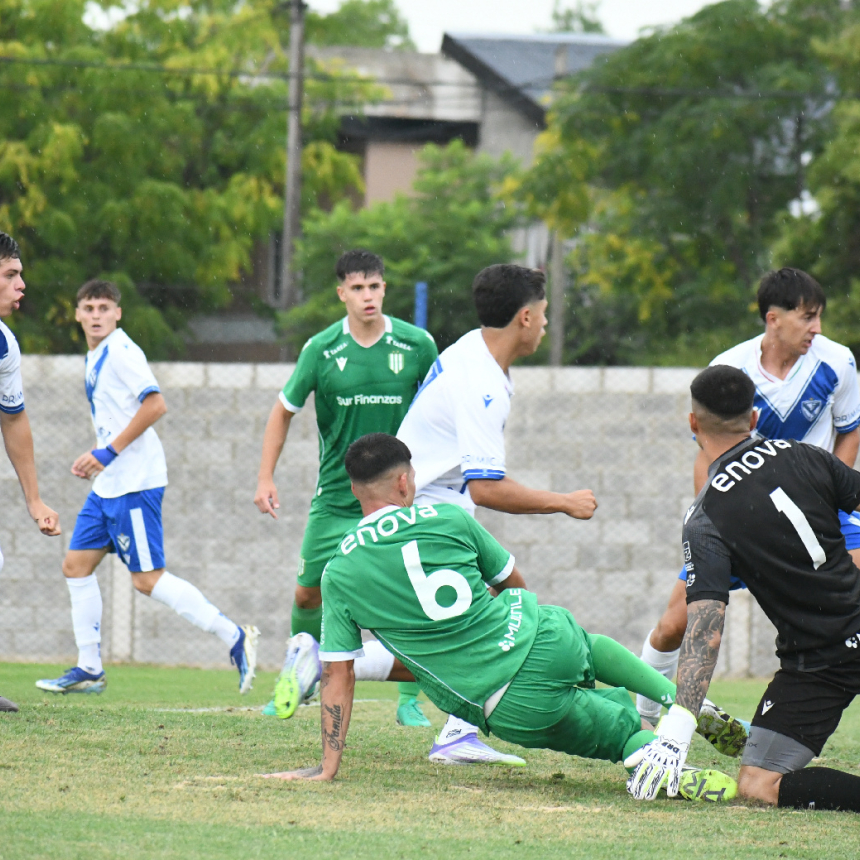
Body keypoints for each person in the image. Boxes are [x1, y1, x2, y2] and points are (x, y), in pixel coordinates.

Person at [261, 432, 746, 794]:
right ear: (405, 481)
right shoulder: (448, 516)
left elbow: (338, 674)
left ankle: (669, 770)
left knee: (622, 735)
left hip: (507, 699)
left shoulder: (339, 571)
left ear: (355, 491)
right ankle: (682, 702)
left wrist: (328, 767)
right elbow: (514, 583)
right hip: (542, 632)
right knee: (589, 648)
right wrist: (520, 634)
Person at [628, 365, 860, 812]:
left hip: (817, 661)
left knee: (759, 785)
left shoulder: (704, 519)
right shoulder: (803, 453)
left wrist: (679, 725)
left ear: (693, 423)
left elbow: (705, 631)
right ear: (754, 418)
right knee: (754, 783)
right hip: (832, 645)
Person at [395, 264, 598, 765]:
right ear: (525, 317)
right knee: (508, 609)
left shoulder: (476, 353)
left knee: (496, 615)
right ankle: (327, 661)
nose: (546, 323)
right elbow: (486, 489)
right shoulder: (481, 380)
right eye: (544, 314)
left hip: (433, 510)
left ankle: (456, 731)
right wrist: (563, 502)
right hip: (426, 514)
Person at [637, 267, 860, 721]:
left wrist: (830, 494)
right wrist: (715, 520)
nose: (817, 328)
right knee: (674, 625)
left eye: (819, 316)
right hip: (745, 516)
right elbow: (706, 454)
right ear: (773, 318)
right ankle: (643, 716)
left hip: (821, 509)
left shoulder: (838, 362)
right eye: (808, 317)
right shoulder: (729, 370)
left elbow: (850, 431)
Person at [36, 280, 257, 695]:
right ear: (78, 314)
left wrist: (107, 452)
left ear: (118, 313)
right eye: (89, 308)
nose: (97, 315)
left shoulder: (122, 351)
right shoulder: (96, 354)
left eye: (104, 307)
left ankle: (233, 636)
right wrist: (103, 458)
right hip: (110, 485)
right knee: (75, 566)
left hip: (135, 483)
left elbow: (156, 404)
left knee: (147, 579)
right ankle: (89, 669)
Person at [253, 249, 440, 727]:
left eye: (374, 286)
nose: (367, 296)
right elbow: (283, 411)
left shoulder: (417, 345)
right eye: (357, 288)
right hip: (337, 500)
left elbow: (442, 410)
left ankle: (409, 701)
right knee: (307, 596)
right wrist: (265, 477)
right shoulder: (321, 350)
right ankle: (295, 678)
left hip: (398, 499)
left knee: (413, 598)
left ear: (384, 289)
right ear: (342, 294)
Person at [0, 232, 61, 712]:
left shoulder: (4, 346)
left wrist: (34, 499)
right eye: (10, 275)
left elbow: (14, 419)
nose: (21, 285)